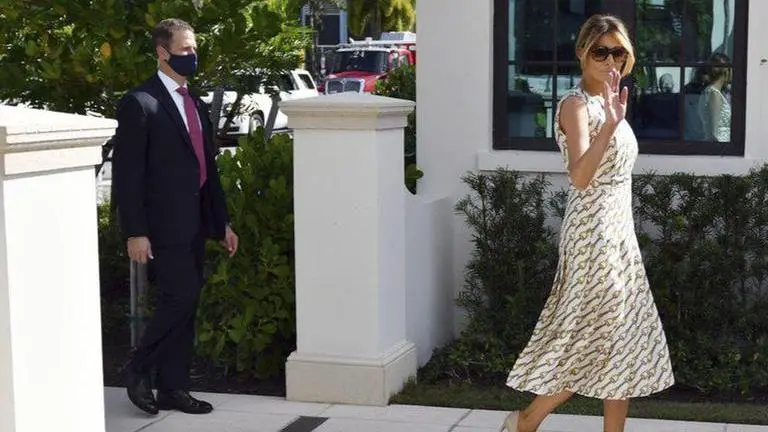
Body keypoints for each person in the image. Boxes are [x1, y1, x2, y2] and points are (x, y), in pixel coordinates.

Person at [502, 14, 674, 432]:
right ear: (582, 52)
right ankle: (526, 421)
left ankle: (530, 423)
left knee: (623, 341)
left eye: (618, 51)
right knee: (590, 340)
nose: (610, 59)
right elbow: (580, 177)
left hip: (619, 235)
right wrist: (610, 126)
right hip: (591, 237)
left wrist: (614, 117)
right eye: (601, 51)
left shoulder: (612, 101)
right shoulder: (575, 105)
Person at [112, 18, 239, 415]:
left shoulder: (194, 102)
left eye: (194, 48)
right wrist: (135, 231)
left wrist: (221, 223)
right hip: (161, 226)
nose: (192, 55)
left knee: (186, 305)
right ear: (162, 52)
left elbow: (208, 169)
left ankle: (173, 388)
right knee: (179, 296)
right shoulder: (140, 102)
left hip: (196, 221)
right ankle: (137, 367)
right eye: (184, 50)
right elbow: (127, 174)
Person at [697, 53, 732, 142]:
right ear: (726, 71)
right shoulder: (714, 94)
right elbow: (714, 133)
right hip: (720, 146)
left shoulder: (709, 91)